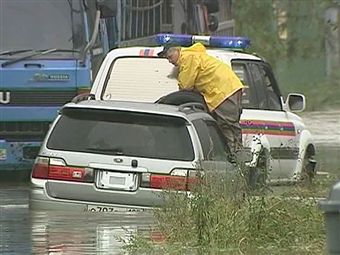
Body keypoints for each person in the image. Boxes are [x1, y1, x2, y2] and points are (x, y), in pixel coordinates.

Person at [158, 42, 244, 155]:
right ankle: (234, 155)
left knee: (228, 125)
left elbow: (185, 86)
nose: (170, 61)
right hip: (227, 88)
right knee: (226, 125)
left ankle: (236, 156)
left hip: (223, 91)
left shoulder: (187, 58)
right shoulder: (193, 55)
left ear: (178, 50)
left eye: (170, 57)